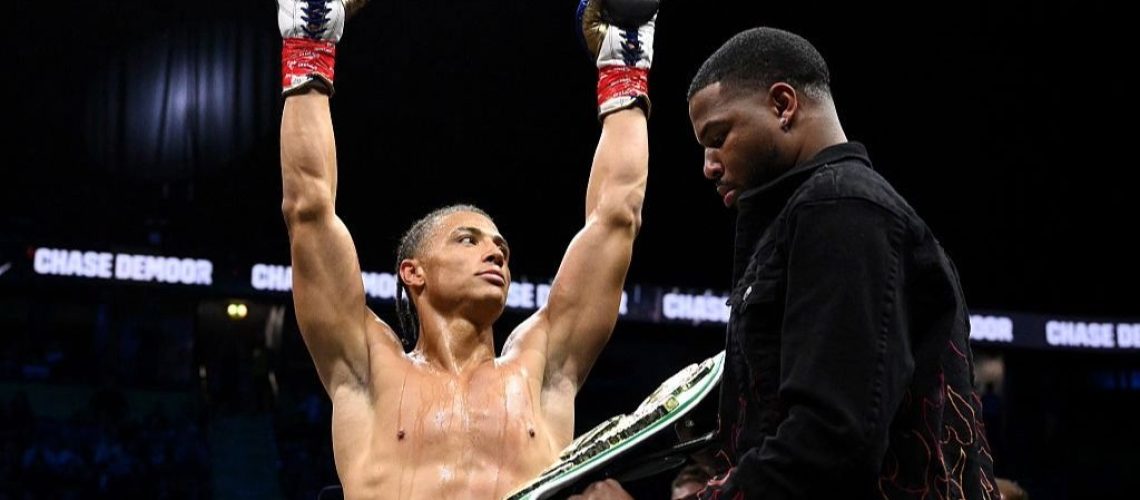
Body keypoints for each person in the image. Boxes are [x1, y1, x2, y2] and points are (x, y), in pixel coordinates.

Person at [275, 0, 658, 497]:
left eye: (500, 246)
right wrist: (310, 45)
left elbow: (616, 219)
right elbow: (308, 209)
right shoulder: (368, 366)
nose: (496, 253)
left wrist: (624, 72)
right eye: (468, 240)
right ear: (413, 273)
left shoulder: (540, 368)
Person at [682, 26, 998, 498]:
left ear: (783, 105)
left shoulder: (841, 208)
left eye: (718, 135)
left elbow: (830, 441)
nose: (708, 165)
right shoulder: (824, 213)